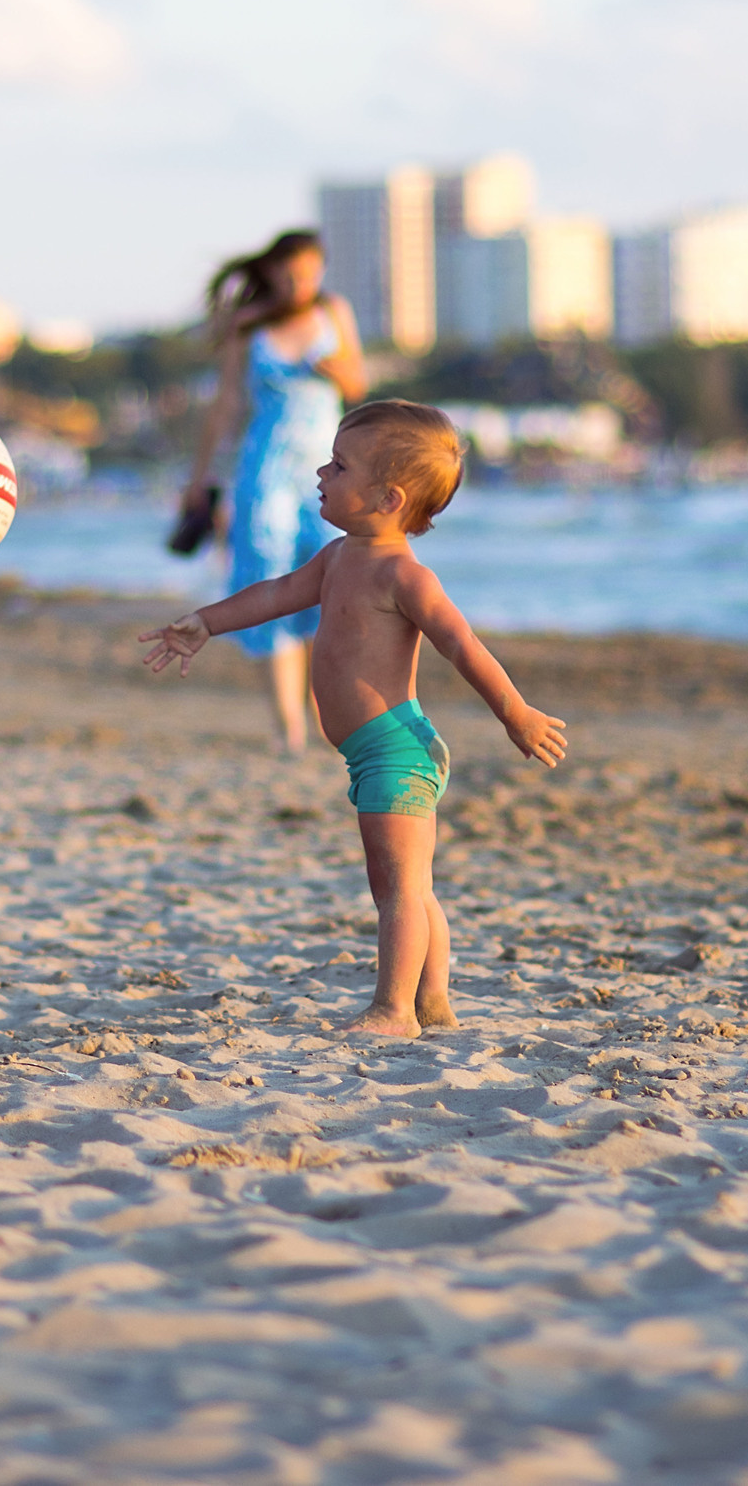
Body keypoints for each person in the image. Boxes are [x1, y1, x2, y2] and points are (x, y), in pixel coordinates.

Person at [142, 400, 567, 1036]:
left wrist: (516, 713)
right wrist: (207, 622)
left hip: (398, 751)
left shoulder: (405, 576)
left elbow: (462, 646)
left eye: (339, 467)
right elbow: (276, 593)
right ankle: (432, 1001)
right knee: (407, 884)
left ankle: (394, 1010)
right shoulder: (339, 556)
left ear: (389, 498)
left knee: (399, 888)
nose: (321, 473)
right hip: (373, 754)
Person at [179, 230, 369, 753]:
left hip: (329, 469)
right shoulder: (249, 325)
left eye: (308, 274)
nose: (298, 284)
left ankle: (323, 714)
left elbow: (357, 384)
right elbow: (227, 406)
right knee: (271, 585)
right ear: (270, 273)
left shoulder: (333, 312)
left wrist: (336, 369)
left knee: (333, 586)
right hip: (264, 470)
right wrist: (200, 478)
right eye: (289, 275)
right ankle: (289, 729)